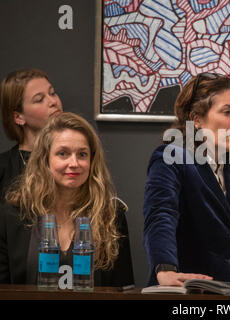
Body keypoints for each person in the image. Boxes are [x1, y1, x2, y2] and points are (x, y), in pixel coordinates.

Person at [142, 73, 230, 287]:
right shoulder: (172, 158)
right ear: (196, 119)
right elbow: (161, 215)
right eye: (227, 112)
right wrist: (165, 267)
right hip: (192, 290)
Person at [0, 112, 134, 287]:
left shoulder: (110, 215)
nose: (74, 163)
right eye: (63, 153)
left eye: (82, 154)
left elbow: (123, 289)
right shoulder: (13, 214)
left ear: (92, 160)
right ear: (45, 159)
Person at [0, 68, 63, 200]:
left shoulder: (76, 160)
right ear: (18, 117)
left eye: (52, 93)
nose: (53, 102)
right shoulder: (4, 168)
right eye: (39, 99)